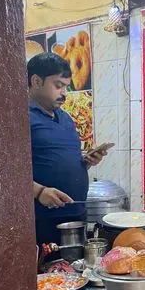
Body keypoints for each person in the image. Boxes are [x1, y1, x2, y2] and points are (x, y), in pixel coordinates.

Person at [28, 53, 106, 245]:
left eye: (66, 86)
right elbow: (4, 173)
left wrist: (86, 163)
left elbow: (59, 162)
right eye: (58, 85)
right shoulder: (21, 117)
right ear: (36, 81)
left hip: (77, 215)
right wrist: (39, 192)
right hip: (42, 220)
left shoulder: (65, 118)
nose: (64, 93)